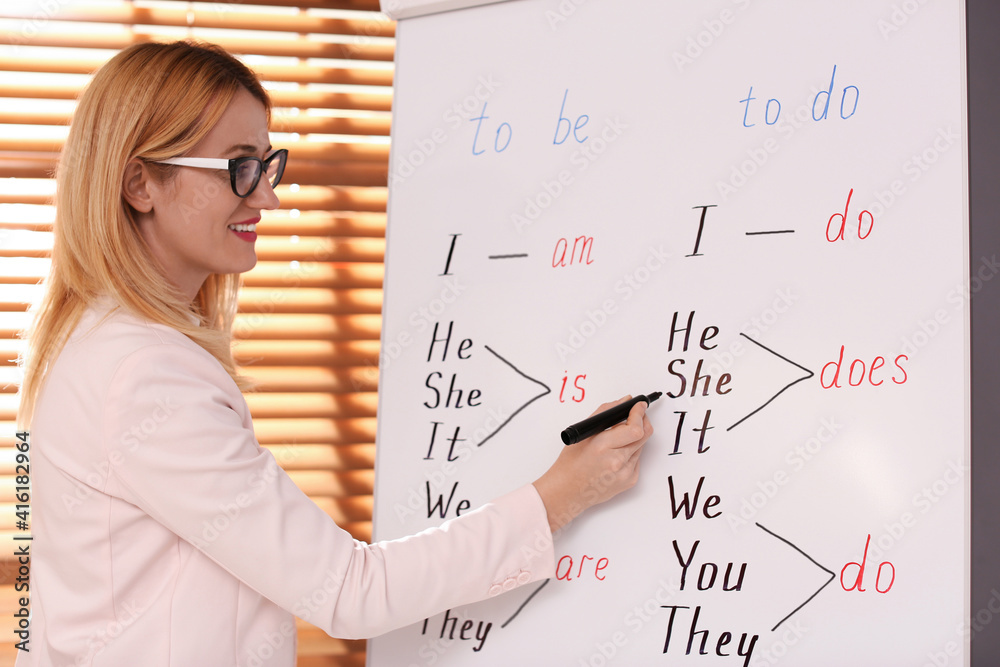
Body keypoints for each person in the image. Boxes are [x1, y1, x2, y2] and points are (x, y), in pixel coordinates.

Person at [15, 41, 653, 666]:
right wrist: (562, 494)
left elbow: (44, 618)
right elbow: (350, 592)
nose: (266, 196)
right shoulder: (144, 374)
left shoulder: (80, 342)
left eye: (268, 164)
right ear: (139, 184)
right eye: (239, 166)